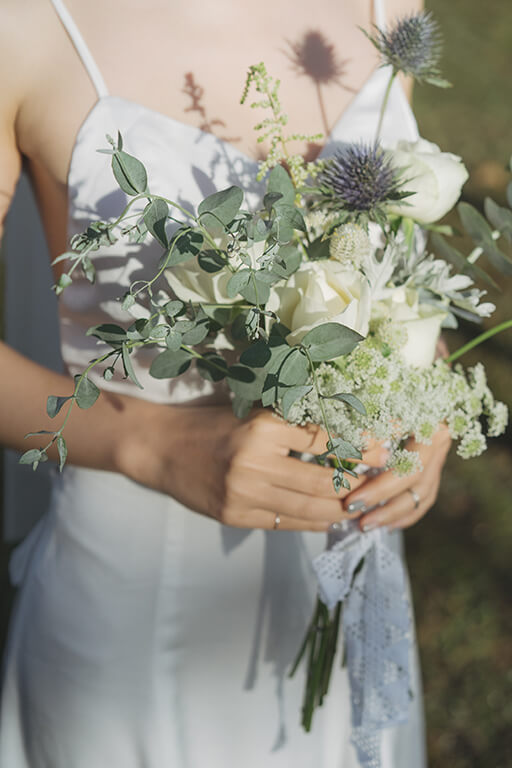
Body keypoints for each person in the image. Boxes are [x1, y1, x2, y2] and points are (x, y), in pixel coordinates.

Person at [0, 0, 451, 765]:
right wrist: (151, 444)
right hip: (138, 603)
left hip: (350, 560)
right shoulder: (25, 27)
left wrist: (425, 399)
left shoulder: (390, 7)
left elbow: (393, 262)